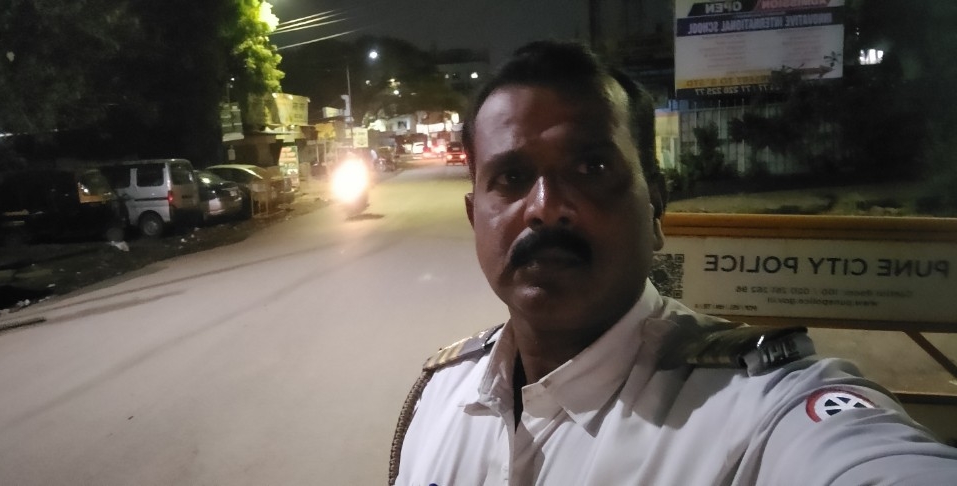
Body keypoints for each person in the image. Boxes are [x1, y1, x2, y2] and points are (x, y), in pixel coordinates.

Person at [389, 41, 957, 485]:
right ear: (475, 217)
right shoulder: (437, 398)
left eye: (591, 169)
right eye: (511, 178)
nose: (544, 207)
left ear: (656, 207)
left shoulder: (756, 413)